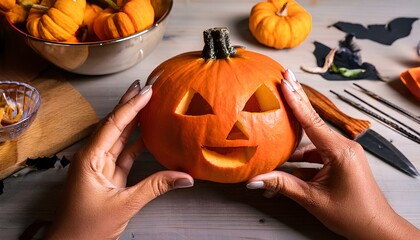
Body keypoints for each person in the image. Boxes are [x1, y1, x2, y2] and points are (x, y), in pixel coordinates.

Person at [45, 70, 420, 239]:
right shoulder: (176, 76)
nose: (234, 132)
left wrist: (381, 227)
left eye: (255, 109)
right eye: (198, 109)